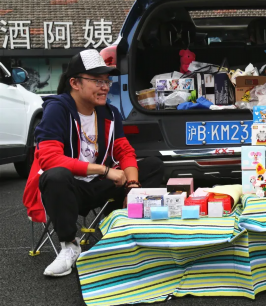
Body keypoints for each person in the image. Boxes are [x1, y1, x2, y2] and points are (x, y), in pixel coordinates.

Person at [22, 49, 164, 277]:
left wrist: (134, 185)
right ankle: (69, 245)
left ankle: (118, 231)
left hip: (99, 185)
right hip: (69, 190)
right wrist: (105, 170)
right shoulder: (57, 109)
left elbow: (123, 149)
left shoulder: (110, 112)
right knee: (55, 175)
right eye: (97, 81)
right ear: (75, 83)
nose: (105, 87)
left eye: (107, 81)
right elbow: (49, 159)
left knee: (153, 164)